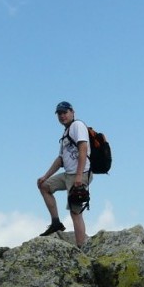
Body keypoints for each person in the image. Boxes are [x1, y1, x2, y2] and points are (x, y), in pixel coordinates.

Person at [36, 100, 93, 249]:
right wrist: (45, 176)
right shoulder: (65, 134)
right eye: (59, 114)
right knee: (44, 186)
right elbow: (60, 159)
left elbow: (83, 149)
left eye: (65, 112)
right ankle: (56, 223)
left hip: (80, 174)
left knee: (75, 212)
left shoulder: (77, 126)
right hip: (68, 174)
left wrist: (79, 176)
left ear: (72, 112)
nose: (62, 116)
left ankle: (81, 247)